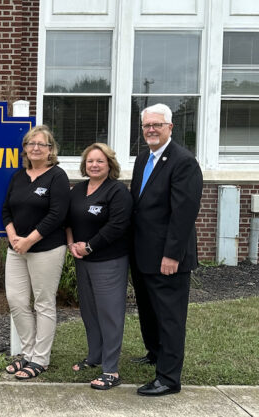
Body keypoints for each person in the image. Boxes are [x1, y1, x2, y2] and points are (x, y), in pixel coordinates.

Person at [130, 103, 203, 396]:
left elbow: (184, 214)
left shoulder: (183, 162)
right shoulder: (142, 159)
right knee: (149, 311)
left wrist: (172, 255)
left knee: (170, 317)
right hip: (143, 254)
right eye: (147, 125)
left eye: (157, 125)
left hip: (166, 257)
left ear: (170, 128)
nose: (151, 130)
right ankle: (155, 353)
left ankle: (169, 378)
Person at [2, 125, 70, 380]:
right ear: (25, 149)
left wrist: (29, 240)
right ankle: (28, 353)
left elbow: (57, 215)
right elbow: (6, 210)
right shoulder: (19, 176)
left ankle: (41, 359)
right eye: (31, 144)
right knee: (17, 301)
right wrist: (13, 238)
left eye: (42, 144)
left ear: (51, 149)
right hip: (16, 248)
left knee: (43, 303)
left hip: (46, 248)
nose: (36, 148)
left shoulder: (57, 176)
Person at [66, 143, 132, 390]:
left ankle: (111, 370)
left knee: (109, 314)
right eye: (90, 161)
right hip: (82, 260)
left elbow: (117, 226)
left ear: (110, 165)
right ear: (84, 165)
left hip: (109, 261)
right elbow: (68, 220)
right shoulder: (78, 190)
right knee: (90, 311)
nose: (94, 165)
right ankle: (94, 357)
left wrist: (90, 246)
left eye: (100, 161)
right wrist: (72, 244)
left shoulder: (117, 192)